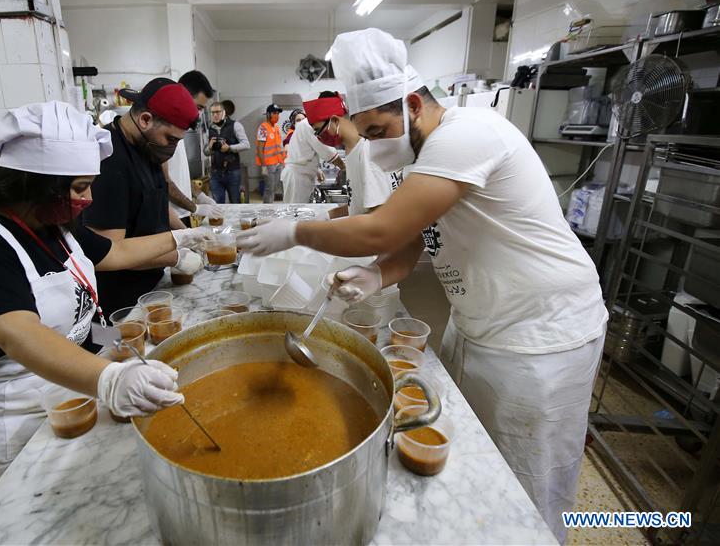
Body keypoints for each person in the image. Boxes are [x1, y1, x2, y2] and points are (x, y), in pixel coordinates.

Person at [238, 28, 608, 543]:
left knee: (529, 482)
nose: (370, 145)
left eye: (375, 130)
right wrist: (378, 273)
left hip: (541, 333)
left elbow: (384, 227)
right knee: (479, 461)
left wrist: (293, 231)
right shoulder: (425, 153)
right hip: (481, 320)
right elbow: (412, 240)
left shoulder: (469, 133)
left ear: (412, 104)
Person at [0, 101, 206, 533]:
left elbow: (117, 254)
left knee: (62, 513)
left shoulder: (52, 226)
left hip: (61, 384)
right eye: (77, 188)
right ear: (31, 184)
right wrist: (109, 379)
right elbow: (20, 335)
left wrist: (187, 237)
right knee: (11, 523)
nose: (88, 199)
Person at [84, 78, 205, 315]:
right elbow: (110, 250)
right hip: (122, 300)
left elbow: (154, 201)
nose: (170, 148)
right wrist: (175, 256)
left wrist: (188, 236)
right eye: (170, 139)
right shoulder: (110, 161)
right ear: (145, 119)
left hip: (153, 285)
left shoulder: (146, 146)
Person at [304, 91, 400, 217]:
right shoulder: (352, 151)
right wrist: (325, 216)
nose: (319, 137)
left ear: (334, 121)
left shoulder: (366, 151)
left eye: (318, 130)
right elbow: (357, 205)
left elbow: (378, 213)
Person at [165, 70, 222, 227]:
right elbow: (164, 182)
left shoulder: (180, 127)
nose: (197, 114)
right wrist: (195, 207)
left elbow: (178, 175)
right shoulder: (164, 130)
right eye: (198, 107)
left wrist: (199, 195)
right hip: (168, 217)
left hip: (182, 212)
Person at [281, 108, 345, 204]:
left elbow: (306, 153)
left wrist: (317, 170)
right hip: (297, 178)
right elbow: (326, 150)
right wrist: (343, 167)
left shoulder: (306, 124)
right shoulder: (308, 125)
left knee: (298, 209)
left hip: (299, 174)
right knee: (295, 211)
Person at [205, 100, 250, 203]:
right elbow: (205, 152)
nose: (215, 115)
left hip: (232, 171)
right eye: (212, 112)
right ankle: (221, 220)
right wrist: (210, 148)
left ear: (224, 112)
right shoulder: (209, 129)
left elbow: (246, 145)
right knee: (218, 204)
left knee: (235, 202)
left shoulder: (235, 125)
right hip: (215, 173)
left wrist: (229, 148)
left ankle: (235, 219)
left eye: (218, 112)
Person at [255, 103, 285, 203]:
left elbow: (278, 146)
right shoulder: (263, 128)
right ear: (268, 114)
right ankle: (267, 210)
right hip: (268, 165)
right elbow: (260, 149)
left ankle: (271, 208)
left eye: (278, 113)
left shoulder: (276, 127)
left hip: (278, 163)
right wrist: (263, 166)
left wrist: (282, 162)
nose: (277, 115)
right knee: (269, 189)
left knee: (274, 188)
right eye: (274, 113)